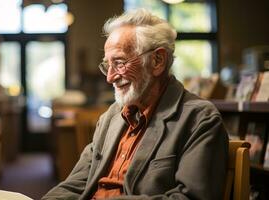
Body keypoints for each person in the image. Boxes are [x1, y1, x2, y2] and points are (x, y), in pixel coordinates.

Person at [43, 9, 229, 200]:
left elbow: (191, 198)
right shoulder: (112, 116)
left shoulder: (199, 118)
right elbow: (77, 183)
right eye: (108, 65)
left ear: (157, 61)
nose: (110, 77)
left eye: (120, 63)